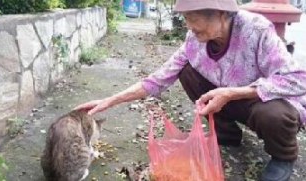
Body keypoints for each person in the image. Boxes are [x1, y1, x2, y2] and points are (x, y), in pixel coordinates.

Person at [75, 0, 306, 180]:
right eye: (186, 18)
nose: (189, 25)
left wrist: (234, 93)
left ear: (221, 14)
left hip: (260, 101)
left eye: (193, 18)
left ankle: (282, 156)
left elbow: (298, 79)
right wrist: (110, 100)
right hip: (223, 97)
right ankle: (226, 134)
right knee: (185, 70)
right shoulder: (194, 39)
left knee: (275, 115)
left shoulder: (256, 30)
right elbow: (158, 78)